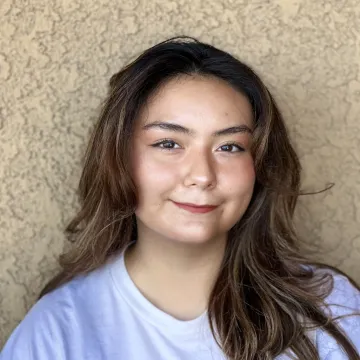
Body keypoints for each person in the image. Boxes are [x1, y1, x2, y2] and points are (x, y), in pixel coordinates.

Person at [1, 36, 359, 360]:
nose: (202, 175)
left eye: (230, 146)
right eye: (169, 144)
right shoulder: (57, 332)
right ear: (118, 158)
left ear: (259, 166)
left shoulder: (329, 309)